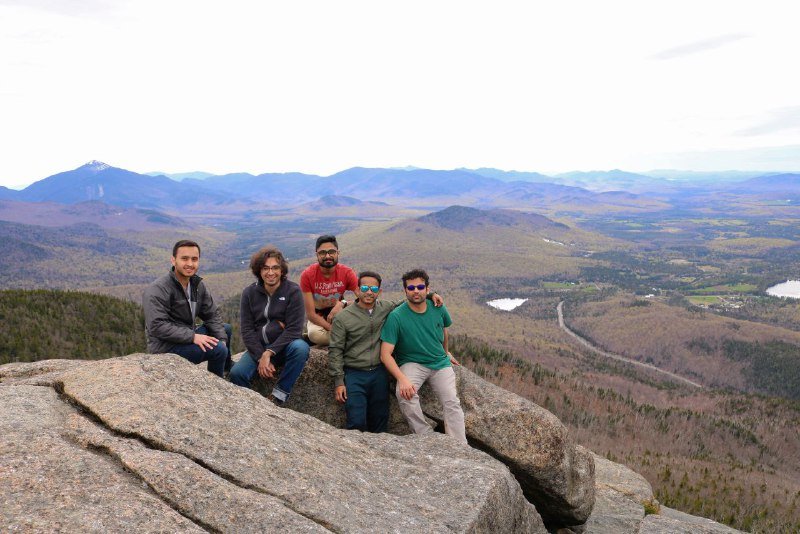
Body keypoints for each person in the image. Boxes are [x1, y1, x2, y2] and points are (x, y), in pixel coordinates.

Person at [328, 270, 443, 433]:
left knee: (380, 420)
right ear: (357, 290)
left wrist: (431, 295)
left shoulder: (385, 308)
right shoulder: (343, 317)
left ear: (379, 292)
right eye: (365, 288)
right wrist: (339, 382)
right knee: (356, 421)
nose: (369, 292)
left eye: (374, 289)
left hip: (379, 373)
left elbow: (409, 299)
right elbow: (335, 350)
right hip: (354, 374)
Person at [380, 269, 466, 444]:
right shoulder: (396, 317)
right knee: (404, 395)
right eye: (411, 288)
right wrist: (401, 379)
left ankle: (459, 445)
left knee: (451, 402)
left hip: (440, 363)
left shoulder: (437, 307)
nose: (416, 291)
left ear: (428, 289)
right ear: (405, 291)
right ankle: (426, 437)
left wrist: (445, 351)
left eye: (420, 287)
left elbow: (444, 330)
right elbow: (385, 354)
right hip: (413, 363)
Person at [229, 246, 310, 405]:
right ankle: (255, 407)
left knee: (301, 348)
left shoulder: (293, 291)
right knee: (237, 373)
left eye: (275, 268)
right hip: (258, 346)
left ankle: (278, 395)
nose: (270, 272)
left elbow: (294, 330)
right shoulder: (249, 293)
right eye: (265, 268)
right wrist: (261, 356)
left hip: (284, 347)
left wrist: (269, 353)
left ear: (282, 270)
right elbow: (247, 330)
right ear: (259, 270)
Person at [143, 239, 231, 377]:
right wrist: (192, 337)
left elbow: (211, 314)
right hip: (166, 347)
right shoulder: (158, 289)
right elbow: (157, 326)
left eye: (194, 259)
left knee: (225, 330)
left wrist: (221, 338)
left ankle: (226, 368)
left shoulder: (196, 285)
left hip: (186, 334)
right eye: (184, 259)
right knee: (218, 349)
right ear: (173, 260)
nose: (190, 264)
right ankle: (217, 384)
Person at [299, 235, 358, 346]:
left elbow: (363, 300)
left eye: (331, 251)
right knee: (314, 334)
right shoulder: (307, 275)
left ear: (337, 253)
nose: (327, 256)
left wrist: (342, 304)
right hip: (318, 318)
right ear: (317, 254)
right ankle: (346, 338)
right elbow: (311, 314)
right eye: (322, 253)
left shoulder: (347, 273)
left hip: (340, 313)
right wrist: (331, 329)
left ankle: (339, 338)